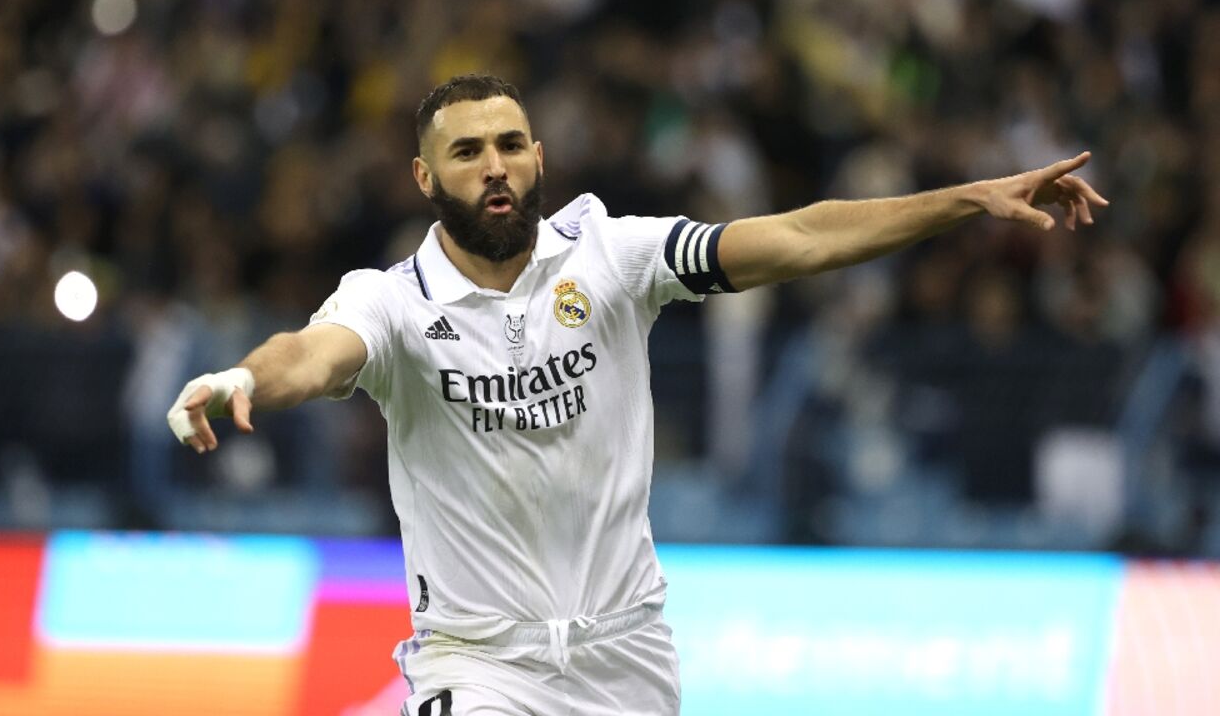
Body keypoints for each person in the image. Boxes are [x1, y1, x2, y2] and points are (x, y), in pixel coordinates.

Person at [166, 74, 1108, 715]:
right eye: (466, 152)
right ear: (425, 176)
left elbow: (800, 238)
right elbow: (311, 355)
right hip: (479, 662)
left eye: (510, 145)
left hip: (627, 657)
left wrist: (965, 200)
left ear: (539, 157)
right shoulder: (393, 302)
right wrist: (246, 376)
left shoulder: (614, 257)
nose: (493, 166)